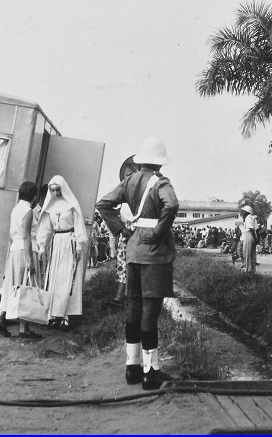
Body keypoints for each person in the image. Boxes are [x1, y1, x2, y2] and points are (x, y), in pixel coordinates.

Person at [96, 135, 179, 390]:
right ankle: (151, 371)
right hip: (154, 253)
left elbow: (103, 204)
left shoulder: (129, 180)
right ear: (160, 163)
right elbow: (172, 204)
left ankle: (131, 367)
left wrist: (121, 229)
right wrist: (159, 231)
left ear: (141, 161)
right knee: (150, 311)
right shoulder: (160, 183)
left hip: (133, 250)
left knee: (132, 308)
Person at [0, 181, 42, 339]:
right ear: (34, 196)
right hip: (24, 251)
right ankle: (12, 324)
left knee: (17, 287)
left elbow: (13, 235)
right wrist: (29, 260)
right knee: (24, 288)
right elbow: (26, 236)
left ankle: (21, 327)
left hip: (15, 250)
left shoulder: (16, 209)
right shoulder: (28, 211)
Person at [37, 175, 88, 330]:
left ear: (63, 189)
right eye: (52, 190)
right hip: (56, 243)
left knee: (67, 279)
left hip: (70, 243)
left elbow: (78, 225)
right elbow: (45, 227)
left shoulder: (72, 204)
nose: (55, 192)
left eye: (58, 189)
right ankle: (53, 316)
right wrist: (41, 246)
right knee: (54, 279)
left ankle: (65, 316)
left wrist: (79, 246)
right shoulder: (50, 207)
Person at [106, 156, 140, 308]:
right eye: (127, 175)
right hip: (125, 237)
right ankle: (119, 297)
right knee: (122, 267)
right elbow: (109, 213)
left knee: (137, 267)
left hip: (140, 237)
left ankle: (133, 298)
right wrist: (120, 230)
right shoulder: (122, 196)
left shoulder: (144, 196)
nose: (130, 178)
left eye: (133, 175)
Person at [31, 183, 50, 287]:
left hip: (45, 253)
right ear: (43, 196)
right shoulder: (33, 213)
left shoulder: (50, 214)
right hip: (35, 251)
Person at [240, 205, 258, 273]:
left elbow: (251, 229)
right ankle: (252, 270)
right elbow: (257, 229)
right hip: (252, 237)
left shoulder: (248, 218)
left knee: (247, 254)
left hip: (249, 236)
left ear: (247, 212)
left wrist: (254, 237)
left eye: (244, 211)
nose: (243, 212)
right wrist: (256, 239)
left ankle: (248, 270)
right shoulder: (253, 218)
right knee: (252, 254)